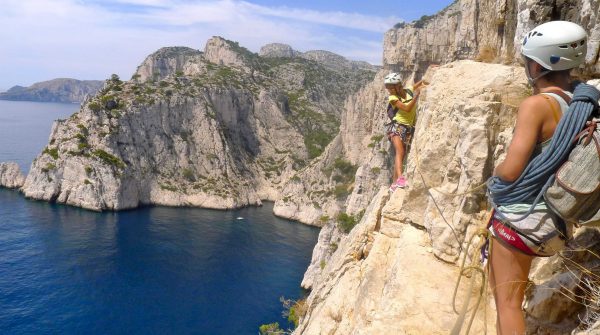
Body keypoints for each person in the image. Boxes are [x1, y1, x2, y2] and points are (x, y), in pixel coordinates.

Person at [488, 21, 588, 335]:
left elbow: (513, 169)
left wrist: (495, 175)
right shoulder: (579, 104)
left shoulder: (535, 106)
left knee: (507, 305)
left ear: (536, 64)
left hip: (523, 221)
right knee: (508, 301)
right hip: (556, 222)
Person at [384, 72, 427, 191]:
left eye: (391, 87)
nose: (389, 90)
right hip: (397, 127)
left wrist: (431, 70)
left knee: (401, 156)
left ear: (398, 86)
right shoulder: (392, 98)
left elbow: (421, 82)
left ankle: (394, 184)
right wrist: (417, 96)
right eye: (388, 87)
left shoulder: (408, 91)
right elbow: (407, 109)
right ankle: (401, 179)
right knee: (400, 151)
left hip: (408, 128)